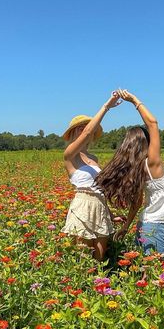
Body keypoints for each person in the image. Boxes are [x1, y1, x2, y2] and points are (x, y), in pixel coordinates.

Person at [94, 89, 164, 256]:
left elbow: (136, 203)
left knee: (147, 274)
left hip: (146, 226)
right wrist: (134, 100)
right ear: (146, 142)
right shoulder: (152, 163)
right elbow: (153, 123)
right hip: (158, 227)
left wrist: (126, 227)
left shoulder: (138, 169)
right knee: (162, 276)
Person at [61, 92, 121, 260]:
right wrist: (106, 106)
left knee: (100, 258)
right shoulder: (70, 155)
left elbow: (99, 190)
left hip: (100, 207)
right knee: (83, 259)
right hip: (82, 206)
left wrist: (110, 214)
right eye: (80, 127)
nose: (85, 129)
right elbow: (87, 133)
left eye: (86, 126)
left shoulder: (94, 159)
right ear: (73, 131)